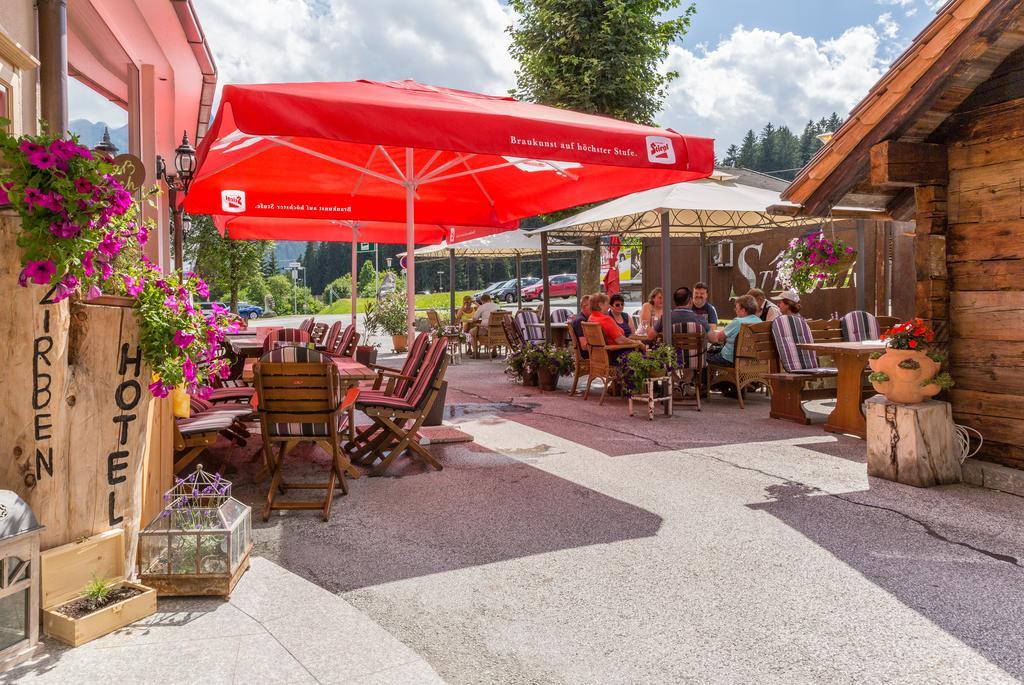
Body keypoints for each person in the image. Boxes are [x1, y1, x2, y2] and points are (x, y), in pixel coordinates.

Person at [706, 295, 761, 366]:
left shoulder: (738, 322)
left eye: (737, 308)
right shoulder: (759, 321)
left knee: (704, 357)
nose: (735, 311)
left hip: (731, 360)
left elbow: (718, 338)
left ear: (743, 310)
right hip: (752, 361)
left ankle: (706, 377)